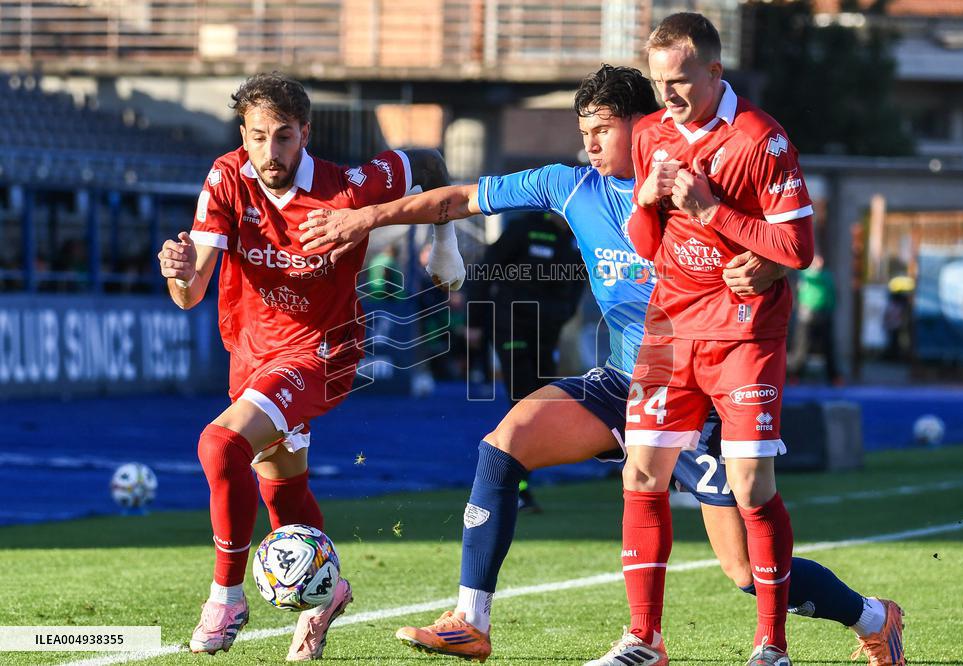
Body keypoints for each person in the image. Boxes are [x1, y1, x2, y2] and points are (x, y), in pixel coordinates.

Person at [299, 64, 904, 666]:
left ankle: (874, 617)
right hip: (623, 380)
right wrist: (365, 217)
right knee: (502, 446)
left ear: (642, 127)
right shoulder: (570, 185)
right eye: (582, 129)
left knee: (745, 571)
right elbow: (461, 198)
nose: (588, 143)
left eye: (602, 129)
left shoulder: (694, 176)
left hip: (701, 383)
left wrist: (767, 266)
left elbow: (782, 240)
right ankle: (472, 620)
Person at [619, 13, 900, 666]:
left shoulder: (760, 139)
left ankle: (772, 645)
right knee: (640, 472)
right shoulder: (650, 135)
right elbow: (645, 244)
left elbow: (798, 246)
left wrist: (713, 210)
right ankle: (644, 639)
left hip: (744, 332)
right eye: (661, 82)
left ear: (715, 73)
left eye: (682, 80)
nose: (670, 95)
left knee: (750, 486)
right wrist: (647, 202)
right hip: (668, 327)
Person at [156, 72, 465, 660]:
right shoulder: (226, 177)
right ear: (241, 135)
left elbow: (428, 161)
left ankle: (226, 598)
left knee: (220, 447)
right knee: (283, 489)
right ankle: (325, 596)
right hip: (250, 352)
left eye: (283, 137)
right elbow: (190, 294)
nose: (270, 152)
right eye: (257, 137)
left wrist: (443, 244)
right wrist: (177, 270)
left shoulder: (347, 187)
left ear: (305, 134)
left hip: (321, 351)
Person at [467, 210, 588, 512]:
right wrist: (474, 321)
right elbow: (486, 269)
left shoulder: (577, 239)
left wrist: (564, 314)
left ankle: (520, 483)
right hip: (511, 326)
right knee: (522, 403)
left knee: (541, 408)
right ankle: (510, 485)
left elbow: (579, 283)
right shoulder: (524, 229)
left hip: (547, 334)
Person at [788, 254, 842, 384]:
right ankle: (795, 375)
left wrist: (831, 308)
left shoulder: (827, 275)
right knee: (802, 346)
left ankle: (834, 376)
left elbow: (832, 293)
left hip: (824, 314)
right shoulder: (805, 275)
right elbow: (811, 279)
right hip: (807, 315)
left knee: (829, 347)